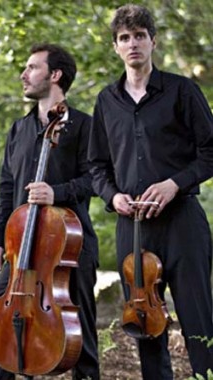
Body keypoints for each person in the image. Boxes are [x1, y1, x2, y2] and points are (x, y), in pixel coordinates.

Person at [88, 4, 213, 378]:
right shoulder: (106, 102)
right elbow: (96, 167)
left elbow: (210, 151)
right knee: (146, 327)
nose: (132, 44)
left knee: (199, 320)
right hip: (133, 228)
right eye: (124, 38)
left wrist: (174, 183)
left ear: (153, 41)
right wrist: (113, 196)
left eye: (139, 36)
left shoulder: (181, 90)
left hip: (182, 225)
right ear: (115, 46)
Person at [0, 44, 100, 380]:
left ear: (55, 75)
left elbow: (97, 179)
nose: (23, 74)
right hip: (21, 248)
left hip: (68, 248)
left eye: (32, 67)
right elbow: (7, 189)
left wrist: (56, 193)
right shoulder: (19, 130)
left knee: (81, 340)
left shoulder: (84, 127)